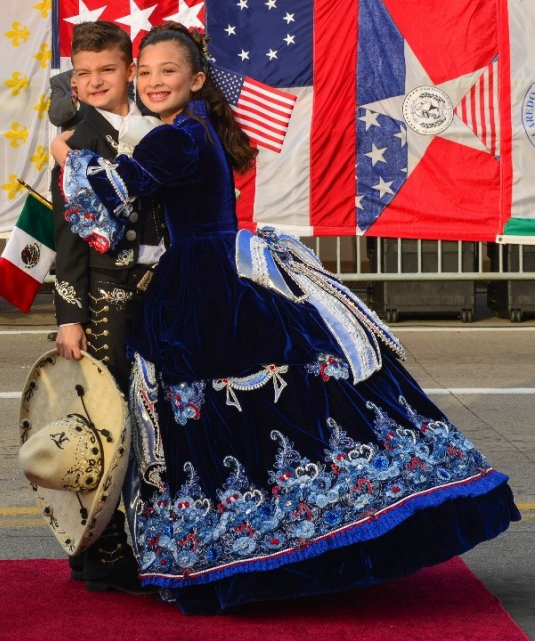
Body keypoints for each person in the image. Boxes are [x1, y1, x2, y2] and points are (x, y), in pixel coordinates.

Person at [52, 22, 520, 614]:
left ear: (196, 80)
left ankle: (235, 557)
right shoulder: (193, 129)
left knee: (216, 416)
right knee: (263, 408)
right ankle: (287, 542)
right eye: (144, 73)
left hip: (202, 286)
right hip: (218, 269)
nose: (151, 81)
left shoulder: (175, 138)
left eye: (166, 71)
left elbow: (111, 198)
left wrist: (70, 158)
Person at [49, 20, 167, 595]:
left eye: (107, 71)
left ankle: (150, 536)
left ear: (130, 72)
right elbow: (68, 236)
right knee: (105, 421)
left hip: (157, 288)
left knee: (151, 416)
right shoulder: (75, 138)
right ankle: (100, 548)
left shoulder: (156, 127)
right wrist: (69, 316)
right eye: (84, 73)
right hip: (104, 299)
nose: (94, 82)